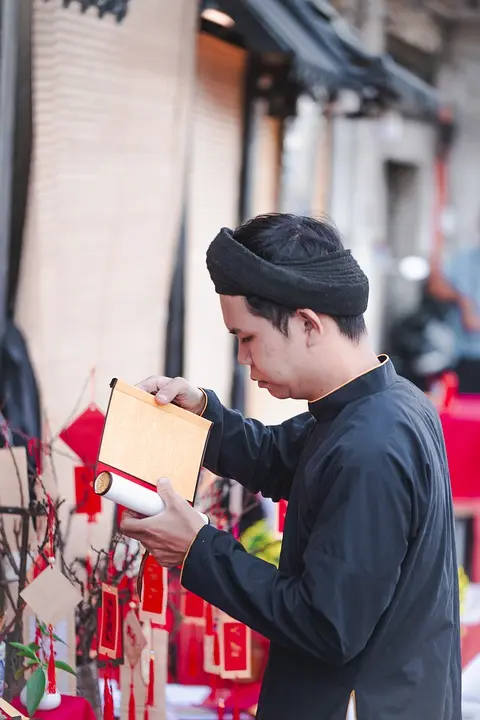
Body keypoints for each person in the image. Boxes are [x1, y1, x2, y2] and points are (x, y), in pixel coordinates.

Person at [121, 214, 461, 720]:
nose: (243, 358)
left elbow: (327, 626)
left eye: (248, 338)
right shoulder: (378, 405)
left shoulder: (371, 443)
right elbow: (279, 458)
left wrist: (198, 550)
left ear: (307, 323)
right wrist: (203, 415)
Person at [428, 240, 480, 394]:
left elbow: (472, 323)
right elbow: (436, 287)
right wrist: (461, 299)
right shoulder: (464, 259)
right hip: (465, 358)